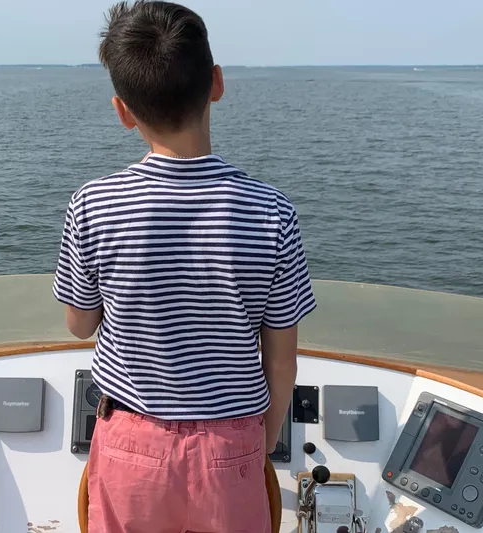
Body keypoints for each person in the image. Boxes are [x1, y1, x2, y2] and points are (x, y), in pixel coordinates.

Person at [52, 1, 316, 531]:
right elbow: (281, 359)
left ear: (123, 111)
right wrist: (260, 438)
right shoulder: (272, 212)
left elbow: (80, 325)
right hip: (232, 443)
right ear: (216, 83)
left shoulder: (93, 204)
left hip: (132, 443)